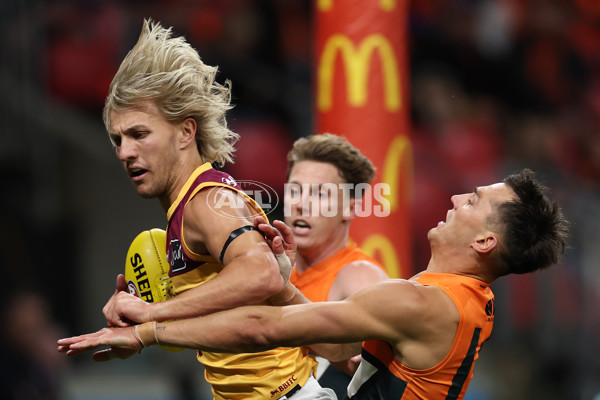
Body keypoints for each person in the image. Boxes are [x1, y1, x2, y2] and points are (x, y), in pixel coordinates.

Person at [58, 169, 569, 399]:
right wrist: (282, 284)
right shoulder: (456, 297)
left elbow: (264, 330)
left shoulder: (421, 302)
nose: (458, 197)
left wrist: (149, 328)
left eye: (475, 200)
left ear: (484, 242)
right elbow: (339, 347)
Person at [82, 19, 332, 400]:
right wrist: (153, 318)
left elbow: (260, 273)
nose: (124, 151)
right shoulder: (192, 206)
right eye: (118, 139)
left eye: (139, 134)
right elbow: (241, 311)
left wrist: (154, 314)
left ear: (186, 132)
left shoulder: (207, 201)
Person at [283, 133, 389, 395]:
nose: (301, 204)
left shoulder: (359, 276)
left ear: (350, 209)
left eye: (320, 194)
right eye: (294, 190)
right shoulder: (270, 267)